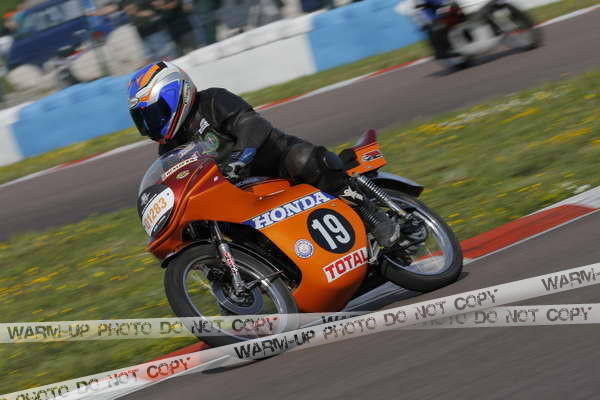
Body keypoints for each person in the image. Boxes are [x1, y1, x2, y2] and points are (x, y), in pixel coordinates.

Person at [127, 61, 401, 247]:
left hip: (275, 161)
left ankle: (371, 214)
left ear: (176, 94)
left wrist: (240, 158)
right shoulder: (168, 148)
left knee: (304, 159)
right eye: (144, 119)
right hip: (240, 193)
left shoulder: (212, 100)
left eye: (153, 114)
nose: (150, 124)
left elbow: (252, 125)